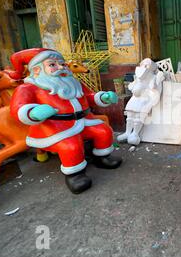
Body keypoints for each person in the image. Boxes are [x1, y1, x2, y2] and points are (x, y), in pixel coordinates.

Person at [10, 48, 122, 194]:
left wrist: (101, 97)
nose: (61, 67)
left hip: (84, 120)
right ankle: (75, 174)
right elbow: (17, 108)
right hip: (54, 126)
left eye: (62, 63)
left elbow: (88, 96)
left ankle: (102, 158)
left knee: (103, 131)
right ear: (37, 70)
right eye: (52, 64)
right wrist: (32, 112)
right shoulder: (28, 88)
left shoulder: (74, 82)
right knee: (71, 145)